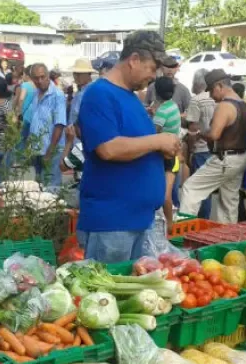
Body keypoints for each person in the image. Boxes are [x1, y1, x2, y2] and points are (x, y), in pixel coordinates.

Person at [76, 30, 181, 263]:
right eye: (153, 68)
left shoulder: (131, 98)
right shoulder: (100, 94)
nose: (154, 77)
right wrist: (157, 141)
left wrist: (160, 147)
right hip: (113, 224)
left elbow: (135, 143)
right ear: (134, 60)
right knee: (110, 293)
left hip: (138, 221)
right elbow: (108, 148)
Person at [180, 69, 246, 224]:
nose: (211, 95)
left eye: (211, 90)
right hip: (241, 157)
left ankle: (183, 233)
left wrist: (199, 133)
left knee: (190, 189)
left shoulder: (225, 106)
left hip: (226, 159)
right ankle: (226, 240)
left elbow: (214, 135)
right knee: (229, 202)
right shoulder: (243, 104)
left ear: (219, 86)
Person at [152, 76, 184, 228]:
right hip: (172, 156)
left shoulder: (162, 112)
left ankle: (170, 227)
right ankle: (169, 225)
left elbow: (153, 133)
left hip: (167, 158)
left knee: (165, 196)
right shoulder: (173, 106)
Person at [29, 63, 67, 189]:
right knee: (39, 187)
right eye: (36, 78)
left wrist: (50, 151)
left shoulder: (57, 95)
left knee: (51, 189)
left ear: (48, 76)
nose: (39, 81)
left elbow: (59, 125)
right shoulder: (35, 93)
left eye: (42, 77)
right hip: (37, 149)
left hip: (51, 150)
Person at [184, 69, 215, 219]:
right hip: (215, 148)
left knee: (198, 189)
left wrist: (190, 150)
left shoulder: (197, 100)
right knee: (208, 188)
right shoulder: (216, 97)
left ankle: (200, 221)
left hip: (201, 148)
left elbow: (193, 129)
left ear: (197, 83)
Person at [61, 59, 95, 168]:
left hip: (80, 142)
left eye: (79, 74)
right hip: (77, 141)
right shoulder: (81, 92)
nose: (76, 76)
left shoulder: (86, 93)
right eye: (75, 73)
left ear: (88, 75)